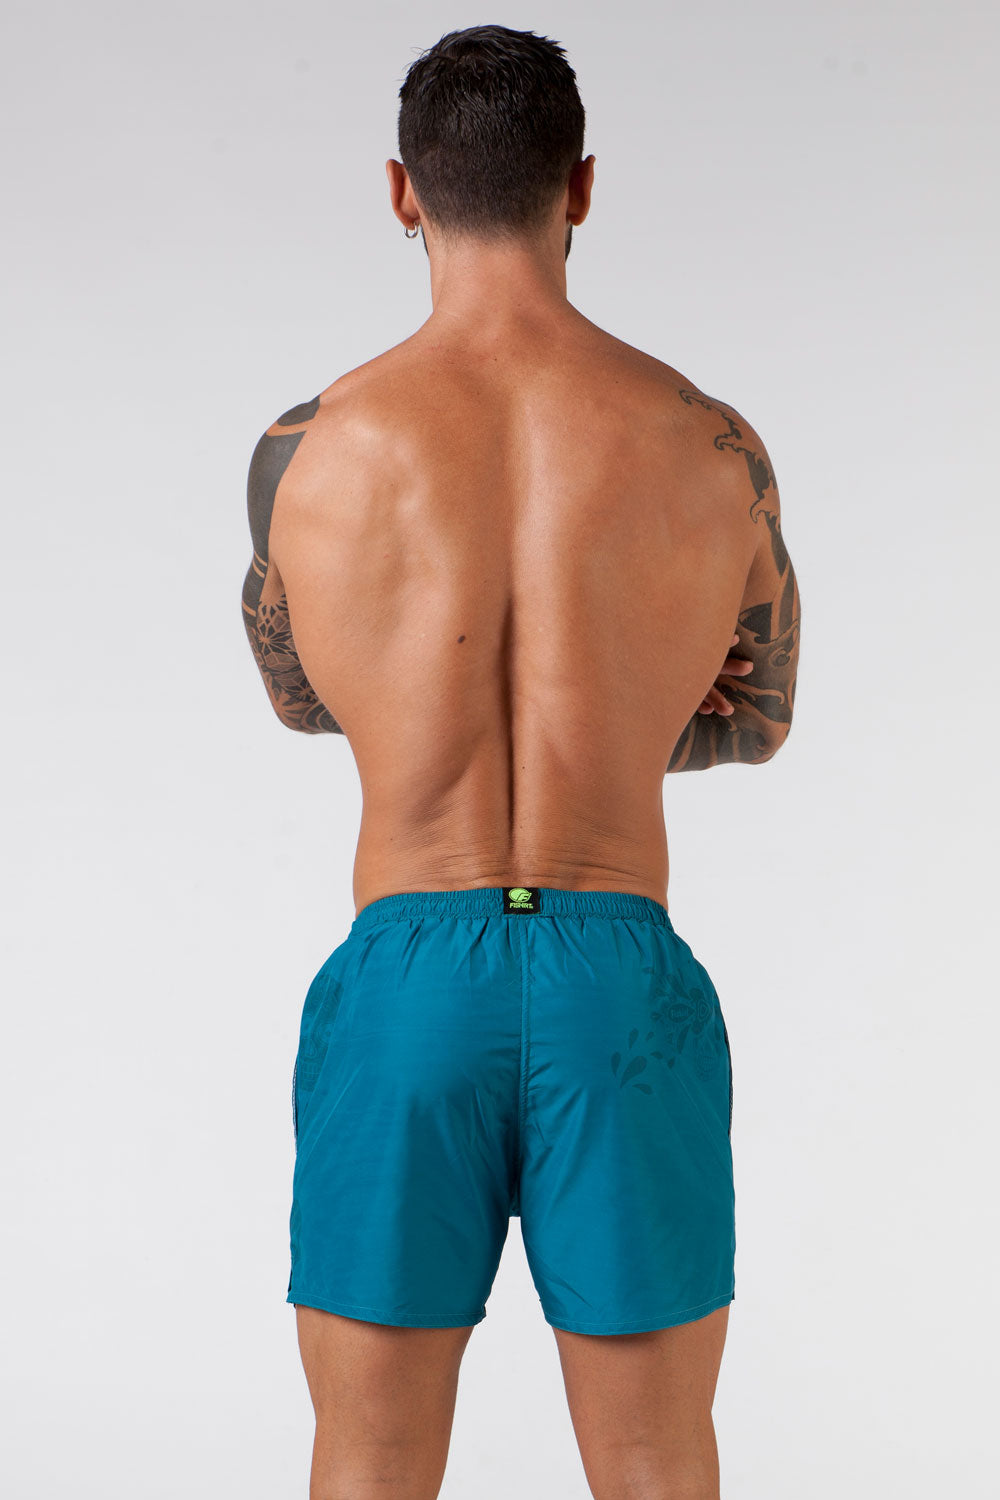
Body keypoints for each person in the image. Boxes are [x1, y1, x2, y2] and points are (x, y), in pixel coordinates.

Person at [241, 23, 800, 1500]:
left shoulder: (309, 448)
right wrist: (614, 711)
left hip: (406, 979)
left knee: (370, 1456)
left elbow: (302, 700)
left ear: (402, 192)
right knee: (657, 1457)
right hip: (621, 980)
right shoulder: (711, 444)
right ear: (583, 187)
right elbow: (757, 716)